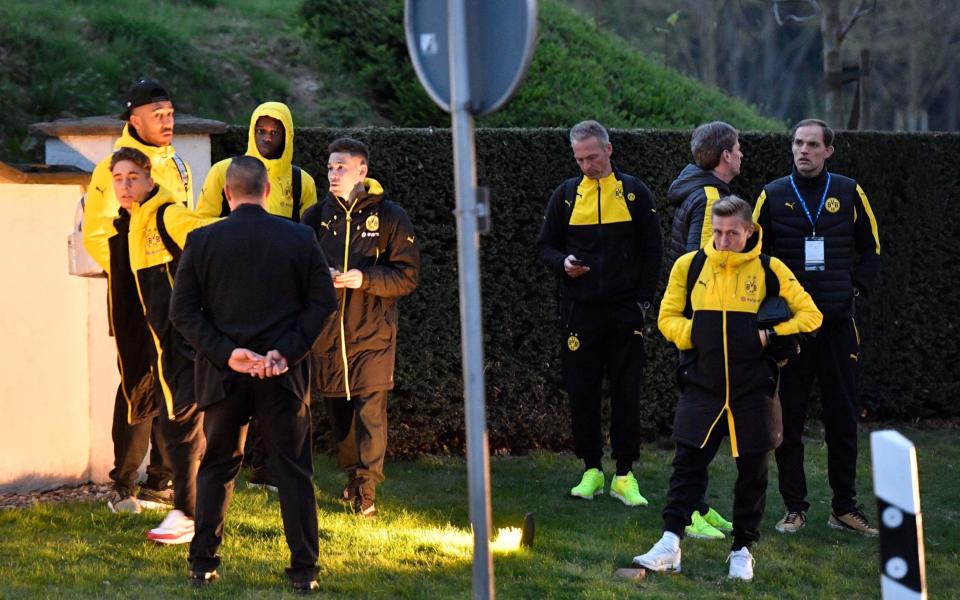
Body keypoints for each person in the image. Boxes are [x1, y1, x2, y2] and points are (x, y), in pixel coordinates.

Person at [633, 196, 822, 581]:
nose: (723, 240)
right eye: (717, 232)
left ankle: (742, 549)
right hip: (702, 384)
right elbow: (667, 318)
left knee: (752, 472)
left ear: (749, 231)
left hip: (754, 389)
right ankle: (670, 541)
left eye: (732, 233)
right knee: (687, 465)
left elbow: (811, 315)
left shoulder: (771, 269)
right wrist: (695, 336)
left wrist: (769, 336)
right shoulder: (690, 266)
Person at [170, 156, 337, 593]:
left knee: (217, 467)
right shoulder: (300, 238)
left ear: (227, 193)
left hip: (225, 376)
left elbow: (182, 311)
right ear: (266, 192)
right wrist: (286, 352)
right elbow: (322, 303)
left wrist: (229, 354)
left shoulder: (202, 240)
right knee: (293, 470)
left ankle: (202, 562)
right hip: (283, 375)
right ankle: (305, 571)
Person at [754, 119, 881, 536]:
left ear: (829, 150)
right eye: (797, 143)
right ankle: (795, 507)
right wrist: (770, 310)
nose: (803, 150)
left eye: (812, 144)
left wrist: (852, 292)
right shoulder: (771, 195)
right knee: (787, 420)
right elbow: (754, 256)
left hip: (838, 326)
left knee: (842, 417)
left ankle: (844, 507)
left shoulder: (848, 191)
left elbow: (872, 250)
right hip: (791, 330)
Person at [536, 120, 662, 506]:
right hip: (580, 311)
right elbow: (545, 247)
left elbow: (653, 250)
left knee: (627, 390)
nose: (586, 165)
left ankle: (625, 473)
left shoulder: (635, 193)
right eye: (579, 158)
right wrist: (564, 263)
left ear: (609, 150)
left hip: (624, 311)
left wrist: (641, 301)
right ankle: (591, 468)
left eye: (591, 156)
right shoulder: (567, 195)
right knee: (582, 391)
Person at [196, 101, 319, 491]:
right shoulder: (224, 172)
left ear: (288, 135)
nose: (268, 137)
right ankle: (227, 468)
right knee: (234, 387)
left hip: (282, 296)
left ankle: (267, 470)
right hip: (232, 288)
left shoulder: (302, 182)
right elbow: (201, 223)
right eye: (262, 131)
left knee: (280, 382)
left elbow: (309, 237)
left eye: (275, 132)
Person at [83, 79, 193, 512]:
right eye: (158, 114)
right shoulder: (112, 167)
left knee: (173, 381)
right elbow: (96, 234)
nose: (168, 121)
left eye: (170, 112)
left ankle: (161, 481)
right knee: (136, 381)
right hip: (134, 295)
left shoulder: (177, 164)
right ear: (135, 119)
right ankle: (123, 482)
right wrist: (134, 276)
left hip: (172, 295)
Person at [301, 137, 420, 519]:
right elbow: (300, 271)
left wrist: (362, 279)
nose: (333, 174)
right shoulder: (314, 216)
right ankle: (353, 476)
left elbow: (407, 276)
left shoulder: (389, 216)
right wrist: (324, 279)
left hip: (373, 334)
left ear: (362, 171)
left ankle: (367, 491)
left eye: (341, 167)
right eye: (330, 167)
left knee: (371, 410)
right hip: (329, 335)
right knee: (340, 414)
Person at [110, 147, 218, 544]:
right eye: (118, 179)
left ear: (149, 179)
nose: (125, 185)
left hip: (183, 343)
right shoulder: (133, 220)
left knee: (183, 428)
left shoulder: (164, 212)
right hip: (163, 344)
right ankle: (192, 512)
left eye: (132, 178)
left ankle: (189, 516)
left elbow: (209, 240)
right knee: (180, 427)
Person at [664, 121, 743, 539]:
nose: (742, 154)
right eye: (738, 148)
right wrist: (707, 329)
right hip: (704, 329)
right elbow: (701, 263)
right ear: (725, 155)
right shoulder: (712, 196)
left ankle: (699, 504)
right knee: (700, 424)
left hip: (702, 327)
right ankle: (689, 512)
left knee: (706, 422)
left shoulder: (698, 188)